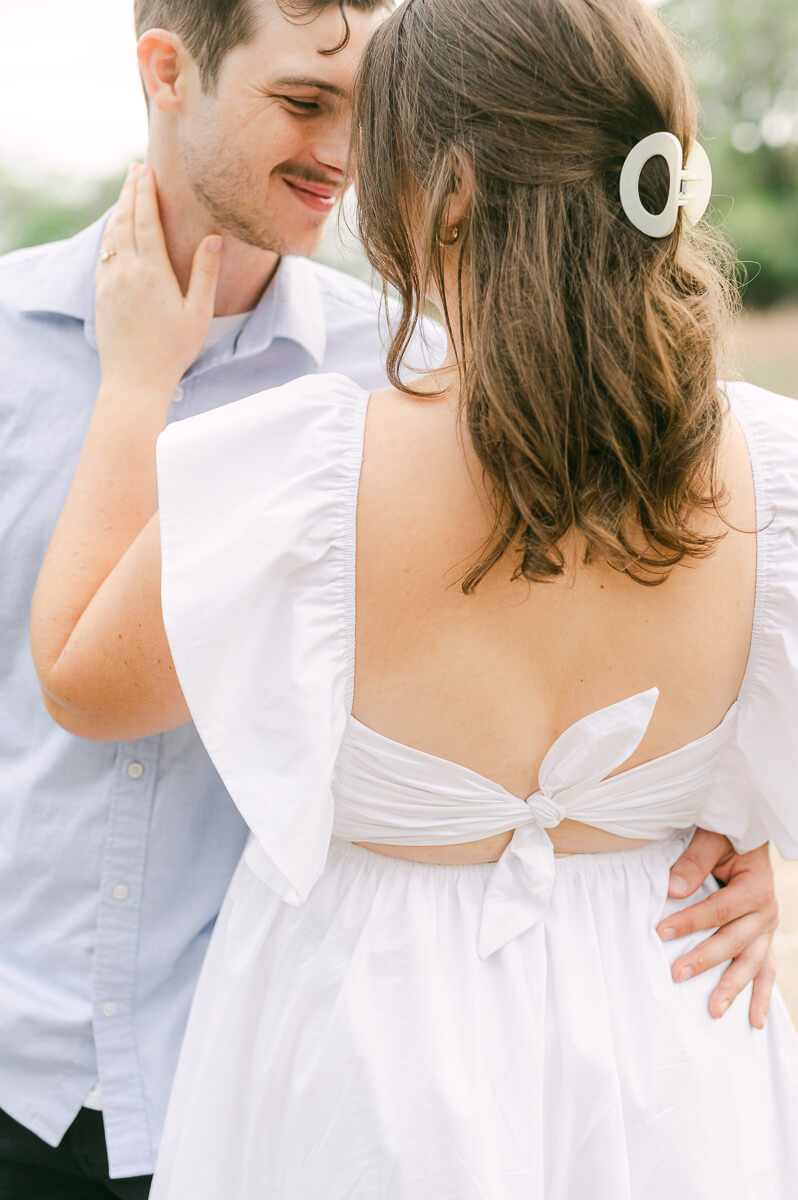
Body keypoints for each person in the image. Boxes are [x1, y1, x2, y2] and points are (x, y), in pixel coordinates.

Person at [23, 0, 797, 1195]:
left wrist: (135, 391)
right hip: (664, 1045)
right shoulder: (769, 470)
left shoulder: (317, 462)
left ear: (443, 193)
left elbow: (82, 677)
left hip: (373, 1052)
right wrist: (752, 841)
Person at [0, 1, 449, 1195]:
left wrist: (712, 831)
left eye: (371, 111)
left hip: (256, 1086)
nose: (347, 156)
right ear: (167, 70)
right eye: (307, 102)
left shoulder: (406, 381)